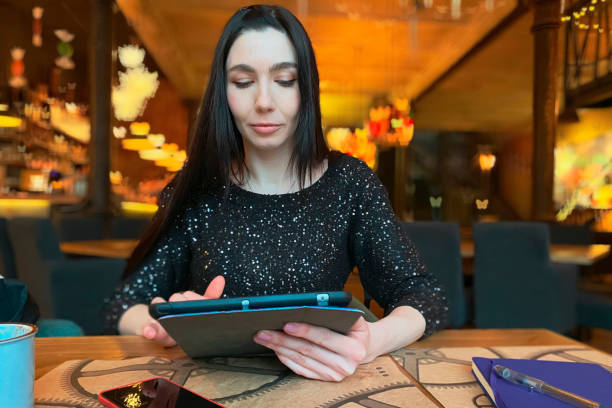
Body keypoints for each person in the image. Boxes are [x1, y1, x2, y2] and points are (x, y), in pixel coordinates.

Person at [104, 4, 448, 382]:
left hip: (320, 388)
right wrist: (162, 325)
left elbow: (424, 296)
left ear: (308, 89)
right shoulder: (195, 187)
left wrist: (372, 339)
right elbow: (126, 303)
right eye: (242, 82)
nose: (264, 101)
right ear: (224, 92)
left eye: (285, 80)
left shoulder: (350, 183)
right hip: (211, 388)